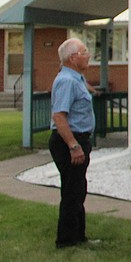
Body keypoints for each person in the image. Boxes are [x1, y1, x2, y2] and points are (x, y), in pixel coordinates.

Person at [49, 38, 95, 248]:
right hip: (69, 141)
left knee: (78, 188)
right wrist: (73, 146)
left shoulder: (75, 78)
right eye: (84, 52)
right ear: (73, 57)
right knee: (72, 191)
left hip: (78, 139)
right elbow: (59, 116)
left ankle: (78, 236)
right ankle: (66, 240)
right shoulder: (67, 81)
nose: (88, 56)